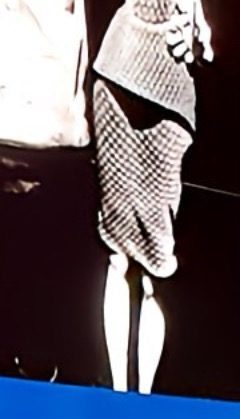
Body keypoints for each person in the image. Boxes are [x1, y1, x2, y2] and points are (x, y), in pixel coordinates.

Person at [93, 0, 211, 395]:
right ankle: (119, 392)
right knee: (119, 255)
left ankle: (139, 398)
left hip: (167, 93)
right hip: (121, 70)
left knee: (152, 268)